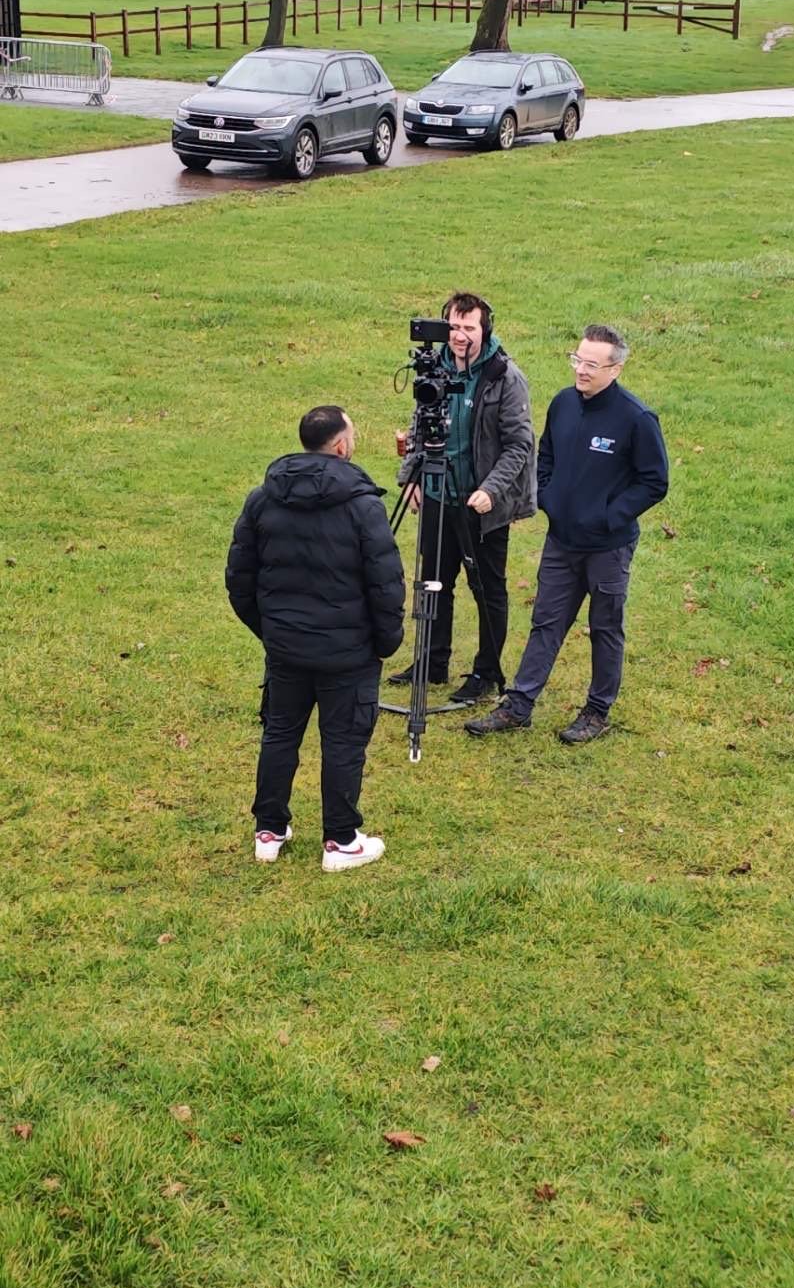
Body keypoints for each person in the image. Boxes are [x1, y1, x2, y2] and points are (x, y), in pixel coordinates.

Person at [465, 324, 668, 744]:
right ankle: (518, 705)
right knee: (546, 622)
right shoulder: (563, 404)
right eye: (577, 360)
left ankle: (597, 711)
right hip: (561, 541)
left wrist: (610, 516)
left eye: (592, 364)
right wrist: (549, 497)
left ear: (615, 369)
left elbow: (654, 481)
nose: (581, 370)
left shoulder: (636, 418)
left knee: (605, 628)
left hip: (607, 548)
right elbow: (546, 455)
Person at [226, 405, 405, 871]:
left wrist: (272, 631)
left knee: (280, 733)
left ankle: (268, 830)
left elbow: (239, 579)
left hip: (288, 648)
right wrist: (385, 642)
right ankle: (341, 840)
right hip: (347, 654)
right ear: (341, 446)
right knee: (343, 741)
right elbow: (386, 585)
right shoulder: (364, 507)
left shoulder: (262, 500)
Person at [390, 290, 536, 704]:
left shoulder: (506, 377)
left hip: (482, 504)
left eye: (468, 327)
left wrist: (491, 489)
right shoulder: (433, 367)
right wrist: (412, 477)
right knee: (433, 582)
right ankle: (432, 661)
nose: (459, 335)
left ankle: (486, 673)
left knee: (486, 588)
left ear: (484, 329)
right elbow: (421, 425)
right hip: (438, 495)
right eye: (453, 326)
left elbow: (519, 445)